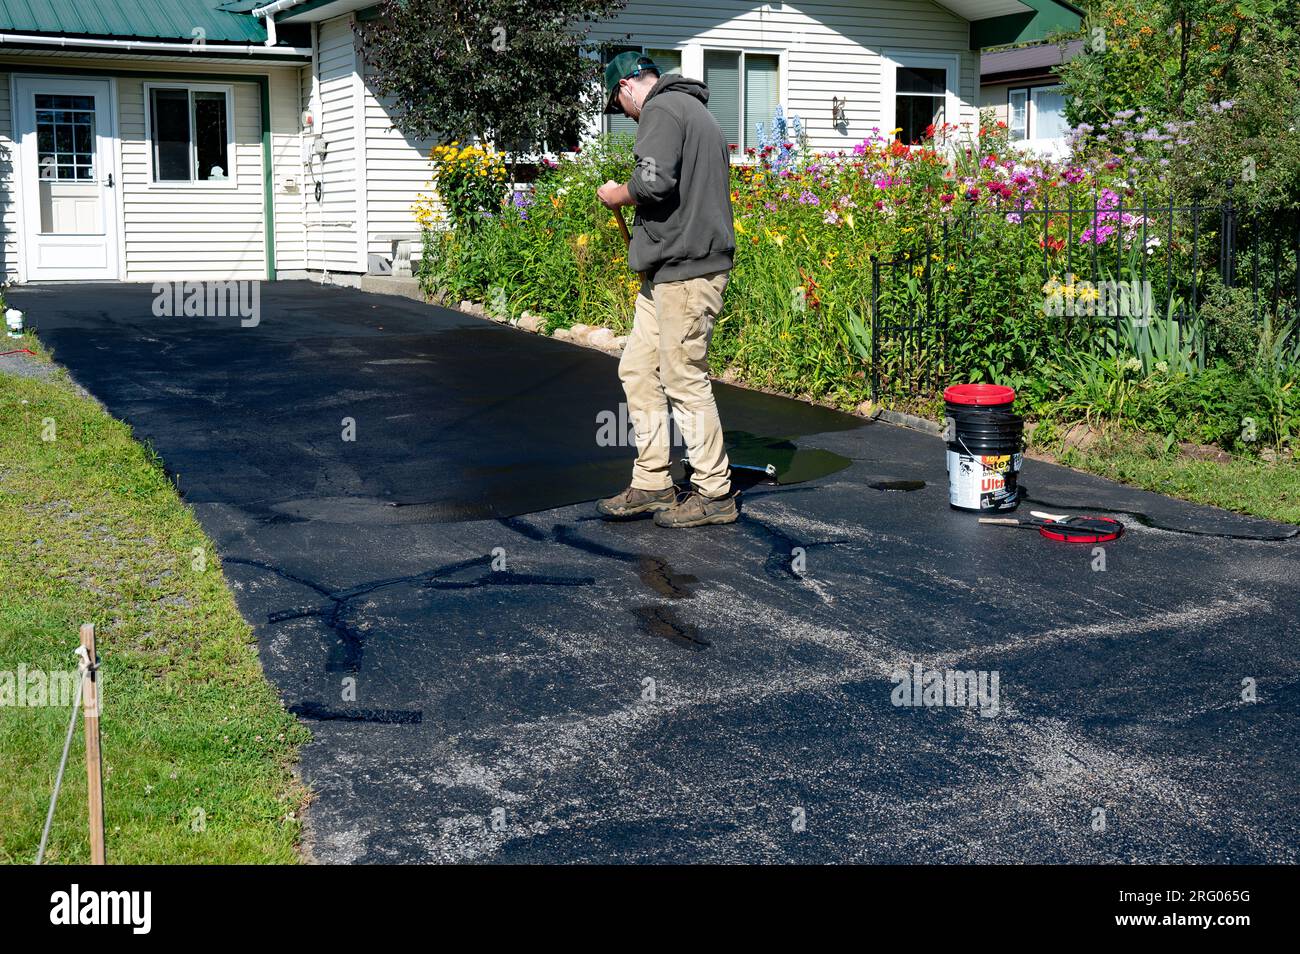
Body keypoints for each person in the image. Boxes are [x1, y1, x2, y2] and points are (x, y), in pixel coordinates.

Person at [594, 52, 738, 528]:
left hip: (686, 270)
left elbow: (653, 182)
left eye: (621, 104)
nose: (627, 113)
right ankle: (653, 481)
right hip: (669, 268)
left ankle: (714, 493)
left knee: (682, 377)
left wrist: (617, 193)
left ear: (629, 86)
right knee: (638, 368)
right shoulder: (695, 111)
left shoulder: (661, 108)